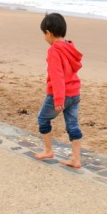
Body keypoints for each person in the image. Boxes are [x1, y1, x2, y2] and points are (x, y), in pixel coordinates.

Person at [35, 12, 83, 168]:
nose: (44, 38)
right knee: (72, 124)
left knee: (43, 119)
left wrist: (58, 99)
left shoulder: (55, 50)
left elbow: (57, 77)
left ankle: (48, 150)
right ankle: (75, 159)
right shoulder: (70, 47)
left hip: (60, 94)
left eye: (44, 34)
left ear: (48, 33)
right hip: (75, 92)